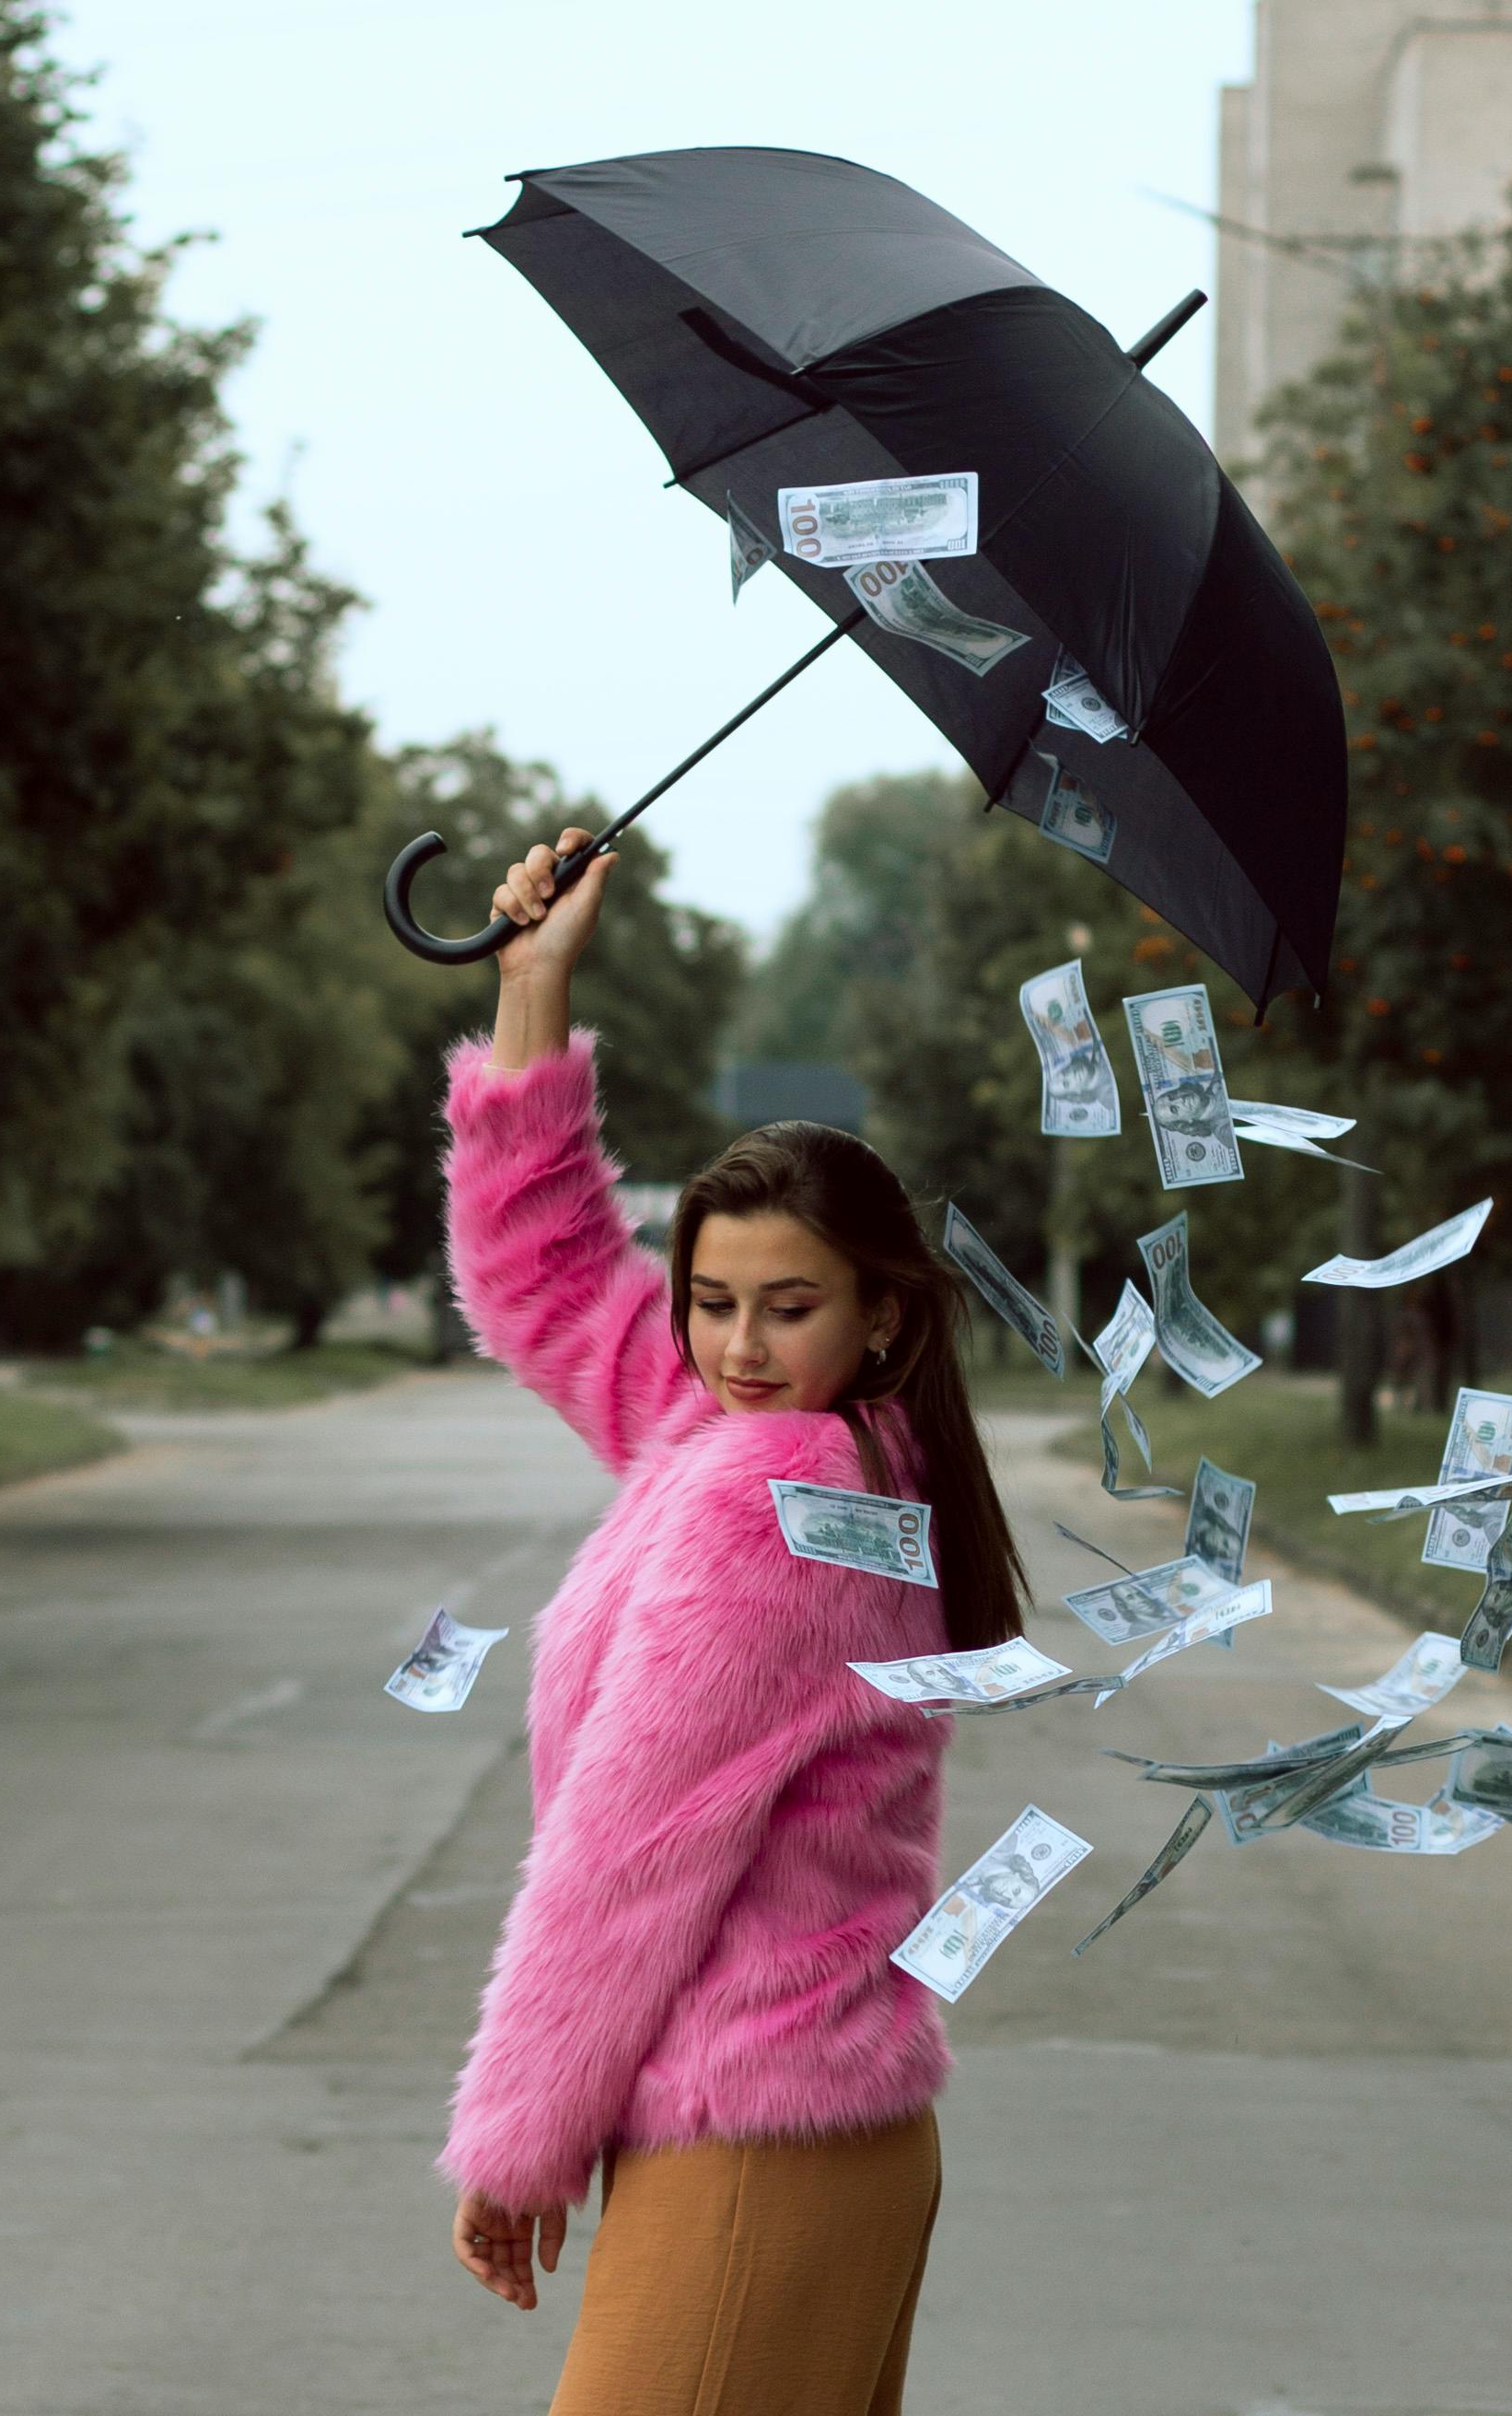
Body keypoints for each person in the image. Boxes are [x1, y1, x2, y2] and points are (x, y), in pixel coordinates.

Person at [436, 829, 1029, 2416]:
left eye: (789, 1307)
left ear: (881, 1313)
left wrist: (519, 2138)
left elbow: (632, 1850)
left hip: (751, 2136)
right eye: (710, 1303)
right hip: (811, 2130)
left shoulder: (775, 1500)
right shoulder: (797, 1451)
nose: (739, 1347)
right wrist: (531, 990)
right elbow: (552, 1277)